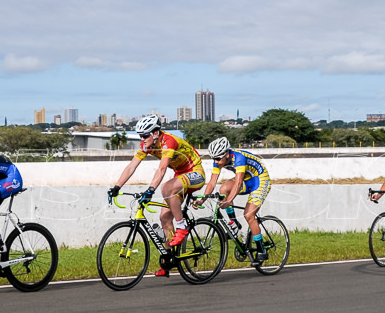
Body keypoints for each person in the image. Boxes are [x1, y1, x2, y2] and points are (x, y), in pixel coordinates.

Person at [107, 114, 206, 277]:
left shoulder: (168, 141)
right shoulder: (147, 146)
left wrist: (151, 190)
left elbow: (161, 169)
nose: (142, 139)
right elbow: (132, 166)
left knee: (166, 188)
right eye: (140, 136)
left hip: (195, 173)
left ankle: (181, 227)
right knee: (164, 218)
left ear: (155, 133)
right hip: (180, 175)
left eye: (145, 135)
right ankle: (168, 260)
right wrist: (117, 187)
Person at [198, 137, 273, 261]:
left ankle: (261, 250)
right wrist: (203, 199)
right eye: (213, 159)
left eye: (218, 158)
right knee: (223, 189)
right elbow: (212, 182)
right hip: (247, 180)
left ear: (227, 154)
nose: (215, 162)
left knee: (249, 215)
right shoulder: (218, 160)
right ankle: (234, 224)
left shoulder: (239, 158)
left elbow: (238, 184)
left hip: (260, 180)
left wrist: (228, 201)